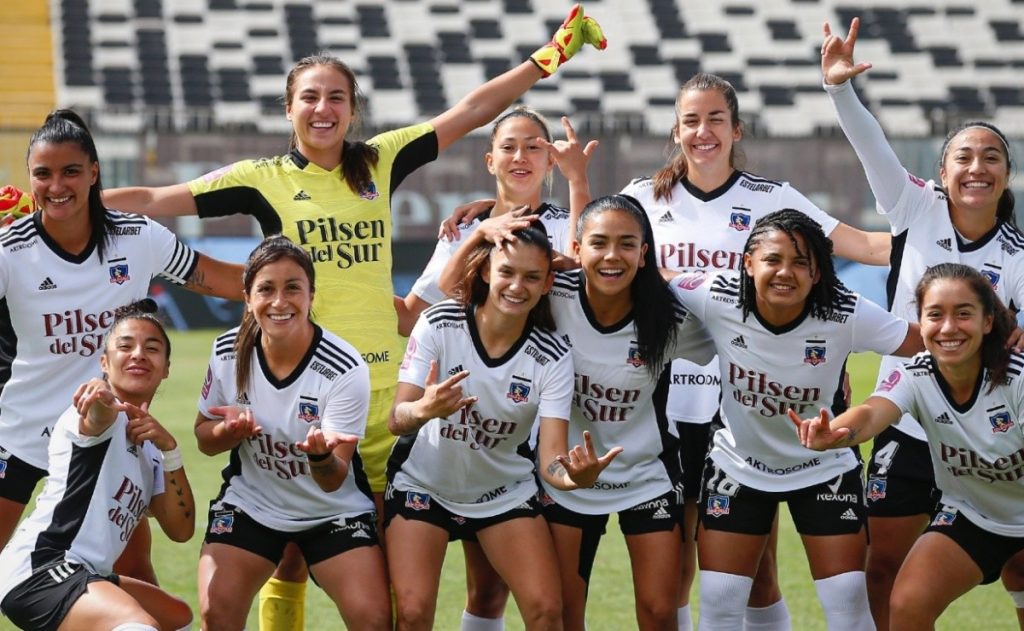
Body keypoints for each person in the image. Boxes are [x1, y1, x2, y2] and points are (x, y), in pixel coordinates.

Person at [101, 7, 608, 625]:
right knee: (284, 553)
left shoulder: (380, 160)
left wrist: (549, 57)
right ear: (289, 109)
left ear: (352, 108)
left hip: (383, 396)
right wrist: (62, 205)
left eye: (336, 97)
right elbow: (154, 201)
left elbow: (473, 111)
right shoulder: (260, 180)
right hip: (294, 385)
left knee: (379, 567)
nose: (323, 109)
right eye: (309, 97)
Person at [441, 71, 891, 631]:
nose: (703, 131)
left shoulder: (771, 200)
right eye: (690, 120)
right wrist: (492, 212)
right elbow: (582, 241)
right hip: (661, 405)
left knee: (755, 570)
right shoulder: (639, 198)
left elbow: (869, 247)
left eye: (715, 119)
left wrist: (946, 232)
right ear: (674, 131)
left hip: (741, 408)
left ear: (736, 128)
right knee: (669, 576)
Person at [821, 18, 1024, 628]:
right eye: (963, 156)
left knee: (1019, 568)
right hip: (909, 413)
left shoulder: (1017, 256)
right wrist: (839, 91)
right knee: (883, 566)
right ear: (942, 172)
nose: (977, 167)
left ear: (1006, 177)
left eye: (992, 157)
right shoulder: (914, 207)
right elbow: (871, 147)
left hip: (992, 432)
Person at [441, 195, 716, 630]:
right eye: (599, 243)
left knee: (661, 611)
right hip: (564, 474)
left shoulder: (668, 318)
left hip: (644, 475)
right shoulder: (551, 298)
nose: (612, 256)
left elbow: (742, 342)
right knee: (566, 615)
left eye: (627, 244)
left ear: (644, 254)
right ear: (576, 248)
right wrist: (479, 227)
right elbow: (457, 291)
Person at [0, 109, 242, 584]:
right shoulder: (10, 249)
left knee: (134, 573)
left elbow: (218, 280)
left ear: (93, 172)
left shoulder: (137, 237)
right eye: (42, 174)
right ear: (29, 180)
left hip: (108, 435)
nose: (57, 185)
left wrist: (293, 277)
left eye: (71, 171)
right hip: (20, 434)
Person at [668, 209, 921, 631]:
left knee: (846, 605)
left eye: (801, 262)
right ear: (748, 263)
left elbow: (922, 341)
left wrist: (1002, 333)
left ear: (818, 272)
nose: (785, 272)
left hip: (823, 468)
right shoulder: (715, 295)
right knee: (720, 603)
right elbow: (657, 274)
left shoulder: (846, 312)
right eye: (772, 260)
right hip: (740, 466)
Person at [401, 105, 592, 628]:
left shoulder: (560, 222)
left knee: (521, 595)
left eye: (534, 146)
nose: (521, 156)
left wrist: (577, 181)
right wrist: (480, 232)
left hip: (543, 413)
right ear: (489, 160)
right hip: (469, 414)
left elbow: (580, 257)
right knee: (463, 595)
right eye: (509, 146)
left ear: (550, 158)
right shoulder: (465, 228)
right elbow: (430, 308)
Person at [387, 223, 619, 630]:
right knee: (412, 612)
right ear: (485, 272)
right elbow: (397, 418)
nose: (517, 286)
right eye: (507, 272)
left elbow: (550, 460)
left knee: (548, 611)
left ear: (548, 283)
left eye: (532, 277)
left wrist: (573, 479)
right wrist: (424, 409)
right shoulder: (439, 323)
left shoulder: (552, 355)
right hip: (424, 485)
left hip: (501, 493)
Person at [792, 262, 1024, 629]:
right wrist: (835, 431)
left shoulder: (1016, 380)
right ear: (921, 321)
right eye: (936, 315)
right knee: (907, 605)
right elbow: (871, 414)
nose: (948, 327)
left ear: (987, 322)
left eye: (963, 314)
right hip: (973, 516)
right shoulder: (916, 373)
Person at [194, 235, 390, 630]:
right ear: (247, 297)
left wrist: (319, 457)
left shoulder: (344, 367)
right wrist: (229, 432)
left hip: (331, 511)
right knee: (218, 612)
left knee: (373, 619)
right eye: (266, 289)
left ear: (311, 295)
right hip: (254, 505)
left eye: (293, 288)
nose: (279, 302)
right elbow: (203, 438)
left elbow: (335, 479)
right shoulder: (227, 351)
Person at [0, 300, 195, 631]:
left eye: (152, 348)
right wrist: (102, 395)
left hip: (89, 572)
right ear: (104, 362)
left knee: (177, 619)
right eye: (125, 346)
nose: (138, 354)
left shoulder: (151, 447)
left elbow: (181, 530)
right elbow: (97, 416)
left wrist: (170, 451)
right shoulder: (101, 412)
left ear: (166, 367)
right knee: (137, 625)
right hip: (42, 567)